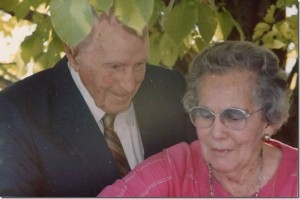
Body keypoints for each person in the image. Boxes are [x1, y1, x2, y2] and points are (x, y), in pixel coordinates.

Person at [0, 11, 196, 197]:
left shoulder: (171, 87)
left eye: (139, 65)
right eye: (115, 67)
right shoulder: (16, 112)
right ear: (72, 53)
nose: (129, 85)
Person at [99, 41, 298, 197]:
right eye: (205, 114)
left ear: (269, 121)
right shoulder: (176, 168)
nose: (216, 133)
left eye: (234, 116)